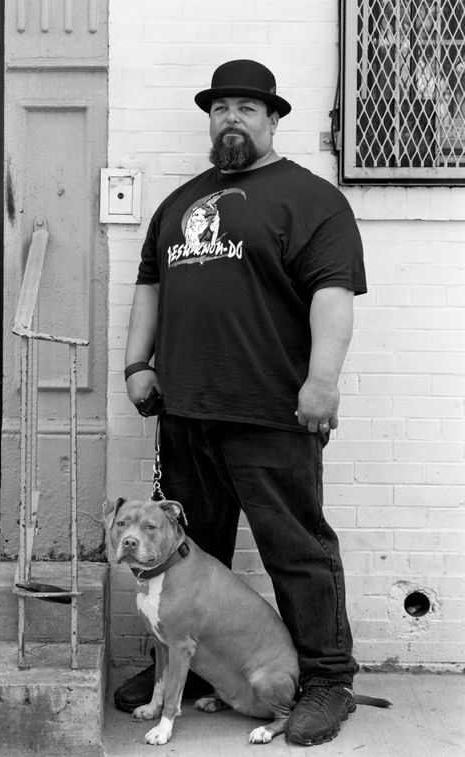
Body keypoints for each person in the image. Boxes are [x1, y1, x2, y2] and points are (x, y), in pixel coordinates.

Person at [116, 59, 366, 747]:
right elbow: (149, 286)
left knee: (297, 550)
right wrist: (137, 363)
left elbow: (333, 293)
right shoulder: (179, 203)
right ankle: (180, 673)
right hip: (185, 408)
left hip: (273, 411)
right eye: (221, 107)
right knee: (185, 554)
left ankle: (326, 680)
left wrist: (322, 379)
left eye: (247, 108)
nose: (232, 118)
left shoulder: (311, 199)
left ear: (273, 119)